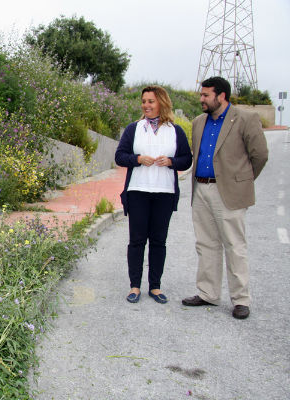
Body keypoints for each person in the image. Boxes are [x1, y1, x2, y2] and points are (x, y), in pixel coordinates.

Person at [182, 77, 268, 320]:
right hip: (201, 190)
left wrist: (241, 181)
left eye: (206, 95)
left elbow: (259, 155)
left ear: (221, 96)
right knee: (206, 243)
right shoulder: (199, 122)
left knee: (234, 246)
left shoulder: (245, 119)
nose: (201, 99)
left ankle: (241, 300)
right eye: (201, 94)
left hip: (227, 191)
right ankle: (208, 292)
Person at [115, 85, 192, 304]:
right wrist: (137, 159)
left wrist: (171, 162)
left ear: (162, 103)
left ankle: (155, 287)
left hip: (164, 193)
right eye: (144, 101)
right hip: (138, 191)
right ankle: (135, 286)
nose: (146, 105)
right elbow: (120, 156)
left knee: (159, 241)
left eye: (151, 101)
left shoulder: (175, 131)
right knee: (137, 241)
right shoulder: (134, 129)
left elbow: (187, 159)